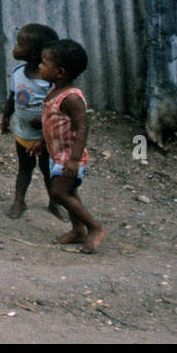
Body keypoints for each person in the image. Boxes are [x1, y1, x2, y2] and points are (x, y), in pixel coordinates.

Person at [39, 39, 104, 253]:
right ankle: (78, 231)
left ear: (60, 72)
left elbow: (82, 127)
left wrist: (74, 159)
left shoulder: (71, 98)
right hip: (56, 153)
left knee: (58, 192)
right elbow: (51, 123)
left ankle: (94, 228)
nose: (40, 66)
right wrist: (42, 142)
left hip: (69, 155)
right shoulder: (54, 90)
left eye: (44, 63)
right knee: (70, 191)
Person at [1, 23, 66, 220]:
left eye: (20, 45)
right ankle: (19, 200)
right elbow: (13, 97)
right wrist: (6, 116)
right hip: (24, 135)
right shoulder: (19, 73)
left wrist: (45, 120)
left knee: (49, 171)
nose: (15, 48)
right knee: (24, 169)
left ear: (36, 53)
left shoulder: (49, 81)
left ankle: (54, 202)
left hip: (46, 138)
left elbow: (61, 107)